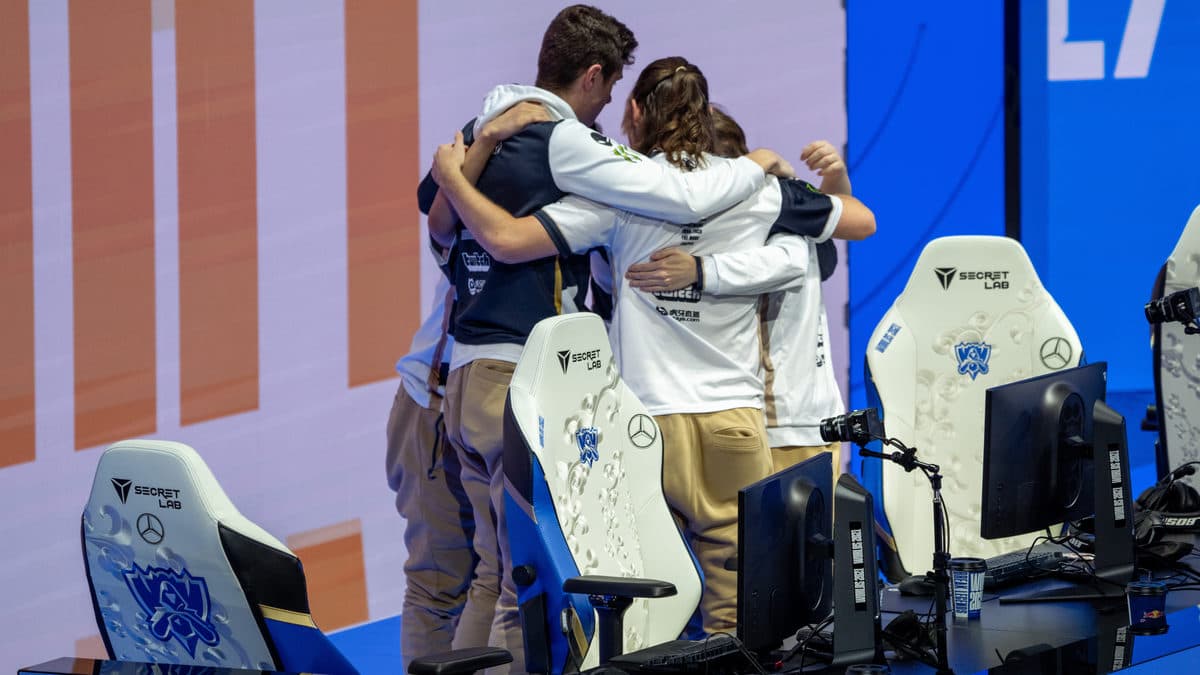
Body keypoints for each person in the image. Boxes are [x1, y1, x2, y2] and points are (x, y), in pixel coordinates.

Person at [428, 56, 874, 634]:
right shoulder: (760, 194)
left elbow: (507, 240)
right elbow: (860, 221)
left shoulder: (618, 198)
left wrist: (455, 177)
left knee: (647, 602)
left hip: (646, 425)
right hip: (733, 422)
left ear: (636, 112)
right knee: (738, 602)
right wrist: (780, 180)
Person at [627, 107, 859, 477]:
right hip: (766, 422)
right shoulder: (749, 222)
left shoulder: (773, 216)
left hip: (787, 425)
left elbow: (825, 244)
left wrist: (834, 179)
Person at [385, 274, 483, 670]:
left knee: (506, 579)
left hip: (518, 410)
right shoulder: (490, 237)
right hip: (436, 404)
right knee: (439, 584)